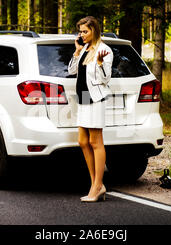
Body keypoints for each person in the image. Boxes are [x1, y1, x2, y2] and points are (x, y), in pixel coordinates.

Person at [68, 16, 113, 202]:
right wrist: (77, 52)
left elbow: (105, 79)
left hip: (96, 99)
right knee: (82, 141)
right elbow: (72, 71)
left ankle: (97, 186)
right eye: (80, 32)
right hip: (83, 98)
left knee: (96, 142)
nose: (82, 35)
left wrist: (101, 64)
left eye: (85, 31)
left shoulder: (105, 50)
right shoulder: (85, 48)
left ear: (94, 30)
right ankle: (96, 183)